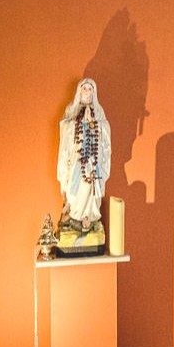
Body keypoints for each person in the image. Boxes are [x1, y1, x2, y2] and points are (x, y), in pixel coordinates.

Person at [57, 78, 112, 232]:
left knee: (91, 184)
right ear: (79, 91)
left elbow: (105, 130)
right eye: (85, 89)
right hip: (77, 157)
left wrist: (93, 123)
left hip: (93, 158)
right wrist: (81, 123)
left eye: (90, 89)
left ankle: (90, 215)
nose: (87, 92)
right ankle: (75, 214)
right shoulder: (72, 110)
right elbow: (65, 127)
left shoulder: (98, 111)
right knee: (77, 183)